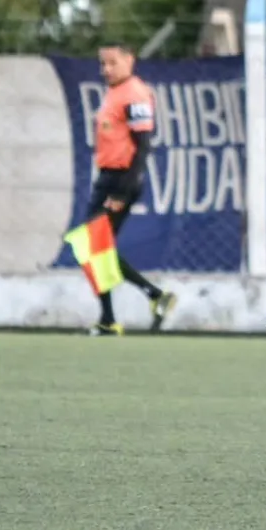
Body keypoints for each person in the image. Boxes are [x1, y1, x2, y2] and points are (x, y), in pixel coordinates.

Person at [88, 44, 176, 336]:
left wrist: (124, 191)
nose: (106, 69)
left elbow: (143, 146)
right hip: (107, 178)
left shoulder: (135, 93)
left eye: (112, 62)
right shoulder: (115, 92)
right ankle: (149, 297)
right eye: (103, 63)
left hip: (119, 181)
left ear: (129, 61)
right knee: (96, 248)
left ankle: (112, 318)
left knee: (94, 247)